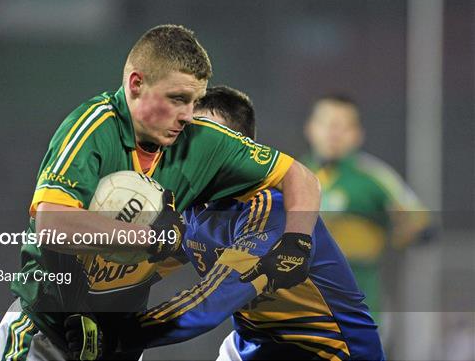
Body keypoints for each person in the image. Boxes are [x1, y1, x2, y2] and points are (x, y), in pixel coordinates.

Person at [0, 25, 320, 361]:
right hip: (46, 335)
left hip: (116, 341)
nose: (188, 115)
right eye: (177, 99)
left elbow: (300, 176)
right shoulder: (93, 129)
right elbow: (52, 225)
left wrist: (298, 240)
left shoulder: (202, 140)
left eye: (194, 101)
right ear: (136, 84)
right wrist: (148, 238)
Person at [86, 86, 384, 360]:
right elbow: (140, 270)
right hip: (254, 345)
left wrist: (124, 334)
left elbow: (211, 304)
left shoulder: (273, 209)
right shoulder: (192, 205)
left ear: (238, 151)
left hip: (326, 350)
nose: (191, 151)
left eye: (210, 141)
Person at [301, 94, 430, 323]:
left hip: (359, 302)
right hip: (301, 303)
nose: (333, 132)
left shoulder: (374, 178)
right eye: (327, 123)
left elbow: (420, 223)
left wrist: (407, 229)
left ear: (357, 134)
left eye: (343, 126)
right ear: (311, 128)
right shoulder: (290, 176)